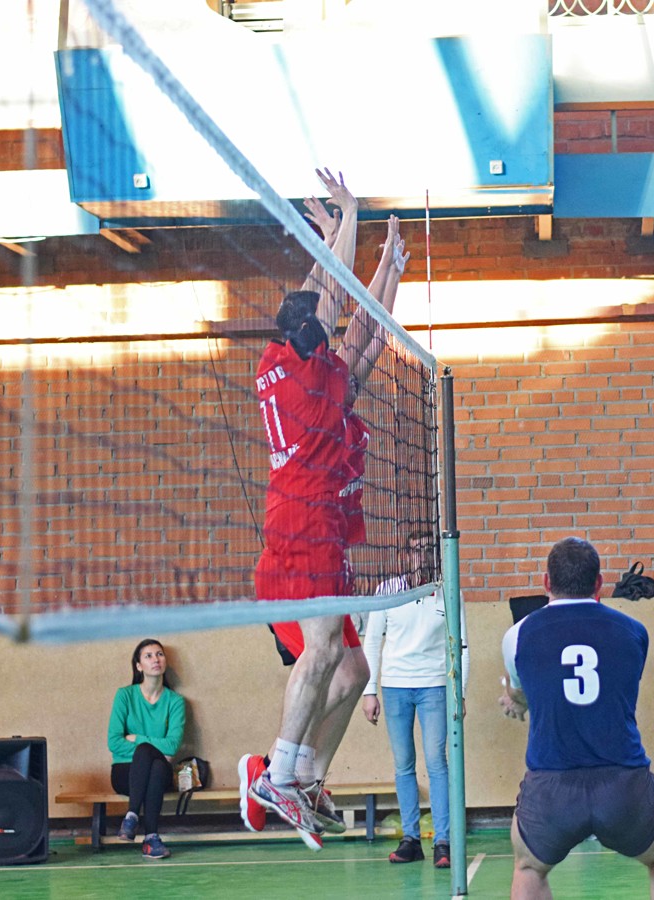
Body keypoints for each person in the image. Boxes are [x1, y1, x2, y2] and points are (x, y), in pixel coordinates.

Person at [244, 168, 409, 850]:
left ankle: (307, 775)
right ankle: (277, 774)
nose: (327, 327)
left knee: (353, 669)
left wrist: (389, 266)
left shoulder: (329, 382)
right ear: (302, 337)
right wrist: (350, 219)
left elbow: (369, 329)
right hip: (299, 530)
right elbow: (336, 294)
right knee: (321, 653)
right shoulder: (288, 370)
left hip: (325, 535)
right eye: (316, 325)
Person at [499, 538, 654, 900]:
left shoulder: (517, 635)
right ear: (599, 583)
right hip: (623, 784)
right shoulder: (635, 631)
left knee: (529, 869)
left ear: (546, 582)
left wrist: (516, 702)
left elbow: (520, 691)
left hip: (552, 787)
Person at [362, 533, 470, 868]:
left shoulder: (448, 591)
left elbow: (461, 646)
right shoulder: (387, 591)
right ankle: (410, 839)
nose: (421, 556)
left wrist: (460, 693)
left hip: (434, 687)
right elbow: (372, 642)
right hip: (395, 687)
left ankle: (443, 841)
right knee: (403, 764)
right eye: (415, 550)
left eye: (427, 550)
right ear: (405, 556)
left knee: (437, 762)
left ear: (436, 555)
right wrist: (369, 690)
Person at [107, 639, 185, 860]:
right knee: (155, 762)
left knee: (151, 759)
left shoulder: (175, 701)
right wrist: (153, 748)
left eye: (159, 654)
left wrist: (137, 738)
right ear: (139, 666)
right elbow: (114, 742)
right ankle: (151, 838)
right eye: (148, 656)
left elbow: (173, 745)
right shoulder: (124, 696)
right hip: (125, 772)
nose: (155, 659)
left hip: (160, 776)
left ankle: (131, 817)